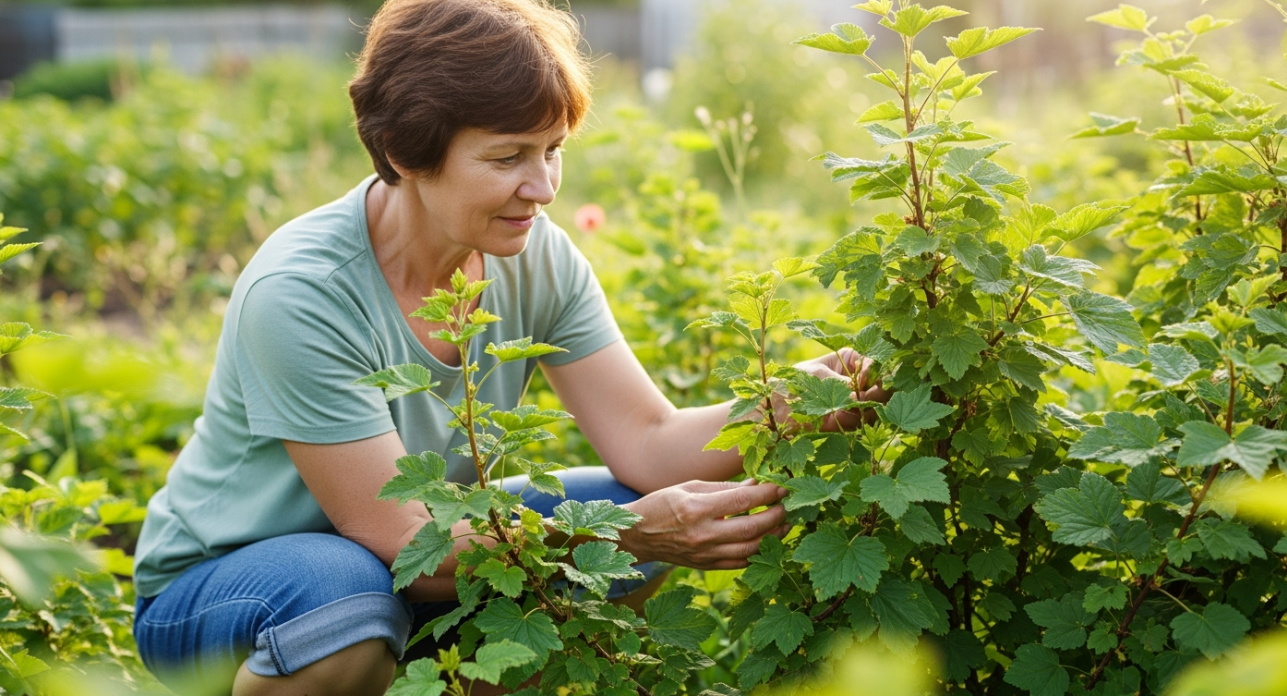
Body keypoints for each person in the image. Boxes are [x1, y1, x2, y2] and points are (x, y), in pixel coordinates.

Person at [131, 1, 874, 694]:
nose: (544, 186)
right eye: (507, 157)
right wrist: (633, 534)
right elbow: (409, 543)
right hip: (224, 586)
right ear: (403, 149)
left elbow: (648, 443)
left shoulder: (535, 257)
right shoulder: (301, 292)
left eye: (553, 150)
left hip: (398, 566)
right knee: (352, 600)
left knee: (621, 510)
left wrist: (795, 404)